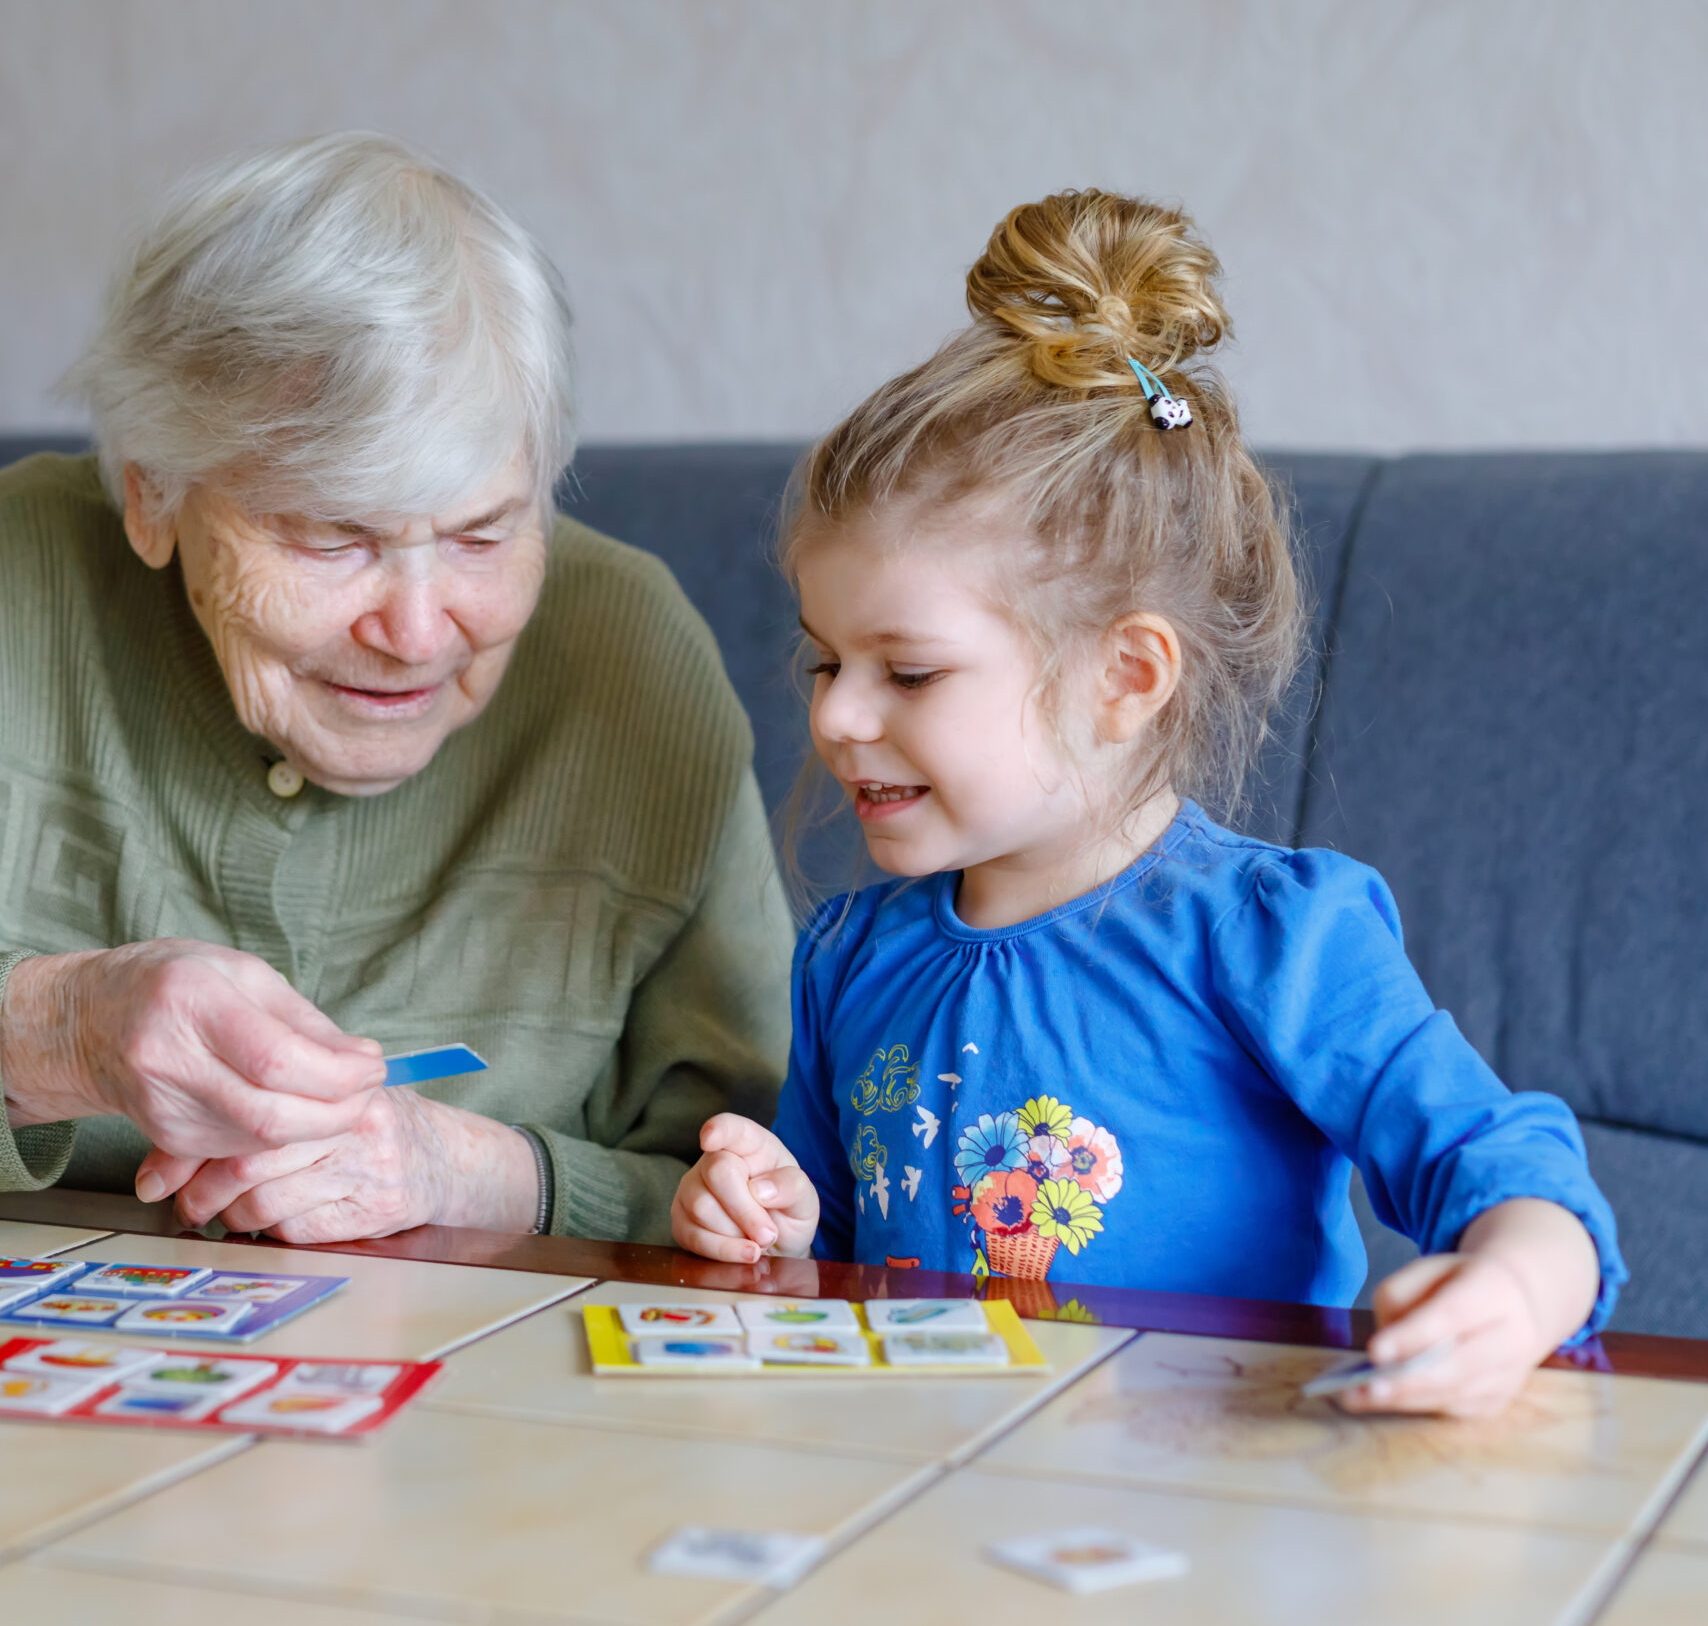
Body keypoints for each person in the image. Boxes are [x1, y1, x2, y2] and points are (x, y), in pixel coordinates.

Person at [0, 133, 790, 1244]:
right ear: (152, 491)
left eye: (482, 534)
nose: (417, 631)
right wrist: (56, 1033)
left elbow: (807, 1189)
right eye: (332, 538)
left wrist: (472, 1174)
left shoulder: (630, 658)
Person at [668, 190, 1624, 1417]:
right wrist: (765, 1217)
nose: (837, 717)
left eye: (906, 672)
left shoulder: (1272, 938)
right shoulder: (849, 960)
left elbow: (1498, 1163)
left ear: (1124, 679)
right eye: (823, 661)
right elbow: (832, 1258)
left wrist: (1516, 1286)